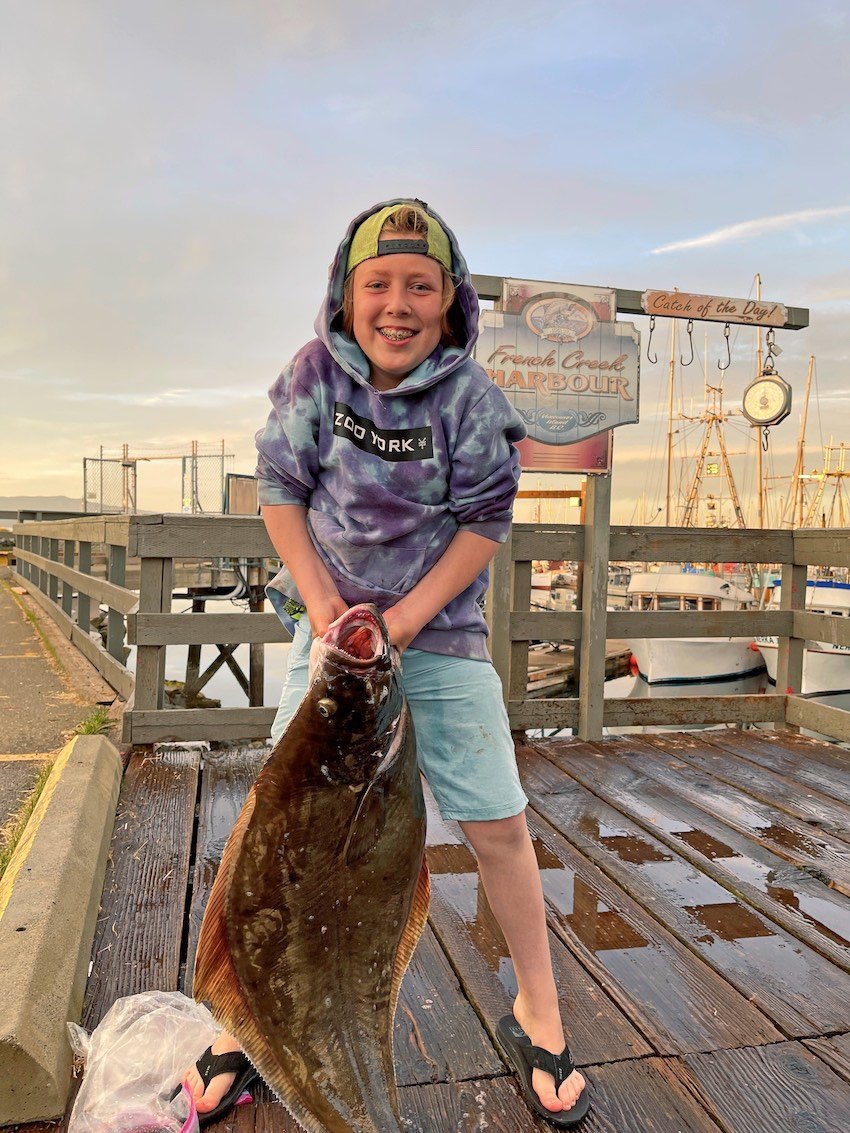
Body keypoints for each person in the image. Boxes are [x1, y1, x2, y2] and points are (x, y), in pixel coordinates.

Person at [178, 199, 589, 1127]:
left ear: (451, 300)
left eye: (420, 285)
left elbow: (486, 520)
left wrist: (403, 619)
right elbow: (281, 488)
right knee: (274, 830)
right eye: (378, 284)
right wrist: (324, 604)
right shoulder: (315, 377)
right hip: (330, 642)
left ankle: (540, 1007)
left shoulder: (473, 400)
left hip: (436, 640)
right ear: (346, 292)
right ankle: (244, 1021)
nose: (397, 304)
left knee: (497, 825)